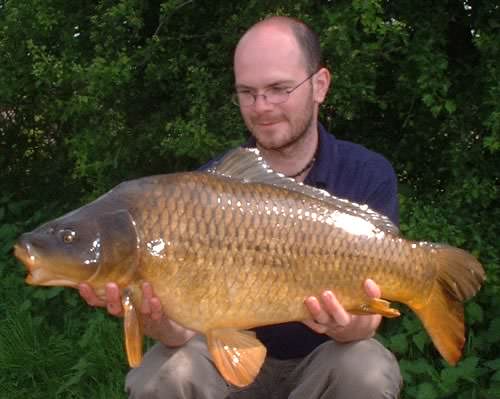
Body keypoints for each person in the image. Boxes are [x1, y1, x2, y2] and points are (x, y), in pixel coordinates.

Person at [79, 16, 402, 398]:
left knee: (366, 368)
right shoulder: (201, 193)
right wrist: (157, 322)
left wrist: (342, 323)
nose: (261, 106)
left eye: (279, 89)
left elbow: (366, 325)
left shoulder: (365, 173)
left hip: (322, 363)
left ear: (320, 85)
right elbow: (183, 332)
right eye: (247, 92)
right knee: (162, 373)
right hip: (224, 365)